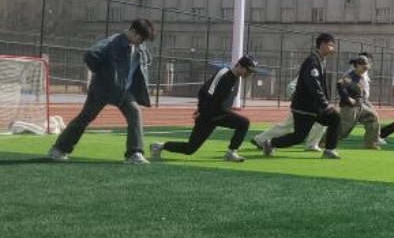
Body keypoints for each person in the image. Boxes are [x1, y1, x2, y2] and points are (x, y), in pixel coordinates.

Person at [47, 19, 157, 164]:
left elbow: (145, 62)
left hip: (123, 91)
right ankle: (58, 149)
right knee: (85, 118)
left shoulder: (140, 47)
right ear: (133, 32)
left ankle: (134, 153)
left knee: (134, 111)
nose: (142, 42)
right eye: (141, 38)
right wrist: (104, 75)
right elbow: (90, 54)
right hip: (102, 89)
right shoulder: (114, 41)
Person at [150, 55, 257, 162]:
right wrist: (200, 110)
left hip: (222, 114)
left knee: (244, 123)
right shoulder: (223, 73)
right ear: (240, 66)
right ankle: (159, 146)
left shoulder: (237, 79)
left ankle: (231, 152)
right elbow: (204, 92)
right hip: (207, 116)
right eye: (248, 70)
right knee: (190, 149)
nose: (250, 73)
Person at [263, 33, 342, 159]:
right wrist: (326, 105)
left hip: (314, 107)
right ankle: (270, 143)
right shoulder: (312, 61)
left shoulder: (320, 61)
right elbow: (314, 86)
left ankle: (329, 150)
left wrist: (325, 105)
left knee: (334, 118)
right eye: (330, 45)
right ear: (322, 45)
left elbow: (318, 87)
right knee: (298, 137)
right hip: (304, 107)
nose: (332, 49)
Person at [250, 75, 326, 152]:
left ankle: (260, 139)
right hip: (304, 106)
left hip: (313, 106)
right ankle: (261, 140)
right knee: (288, 126)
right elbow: (291, 86)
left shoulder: (320, 72)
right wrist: (299, 99)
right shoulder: (311, 71)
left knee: (320, 123)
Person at [337, 55, 383, 149]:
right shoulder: (350, 76)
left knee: (373, 118)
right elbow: (340, 85)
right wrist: (348, 98)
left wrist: (369, 105)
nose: (365, 70)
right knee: (343, 131)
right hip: (349, 108)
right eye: (364, 67)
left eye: (367, 68)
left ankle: (370, 143)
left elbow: (362, 94)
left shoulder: (361, 77)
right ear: (358, 65)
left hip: (360, 106)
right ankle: (323, 141)